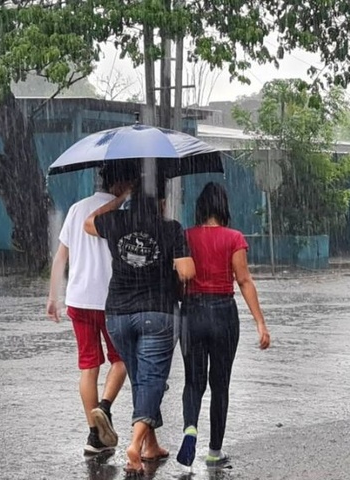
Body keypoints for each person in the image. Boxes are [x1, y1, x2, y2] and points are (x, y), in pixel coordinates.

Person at [84, 172, 195, 475]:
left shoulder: (116, 221)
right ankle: (134, 446)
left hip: (117, 314)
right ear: (161, 202)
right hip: (157, 313)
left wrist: (120, 199)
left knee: (141, 379)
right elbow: (187, 271)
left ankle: (150, 445)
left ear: (133, 199)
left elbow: (89, 222)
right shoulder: (170, 228)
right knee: (151, 379)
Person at [176, 182, 271, 469]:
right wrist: (260, 323)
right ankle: (214, 452)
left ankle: (190, 427)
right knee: (220, 385)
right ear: (223, 208)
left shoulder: (185, 236)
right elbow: (244, 281)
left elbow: (179, 278)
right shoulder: (234, 238)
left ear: (201, 208)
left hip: (191, 314)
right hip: (223, 314)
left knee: (193, 381)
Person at [46, 163, 137, 455]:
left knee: (88, 366)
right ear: (121, 184)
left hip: (78, 299)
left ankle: (94, 437)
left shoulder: (76, 209)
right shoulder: (121, 215)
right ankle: (104, 410)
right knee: (122, 359)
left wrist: (53, 296)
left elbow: (61, 257)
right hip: (111, 300)